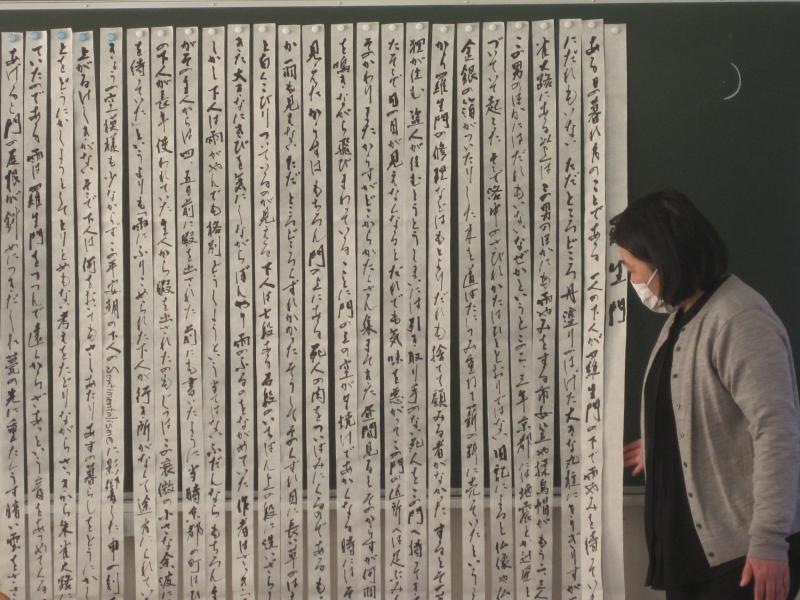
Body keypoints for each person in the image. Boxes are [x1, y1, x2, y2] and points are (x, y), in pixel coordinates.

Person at [613, 190, 800, 600]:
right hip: (690, 552)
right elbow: (696, 402)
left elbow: (777, 431)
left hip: (741, 556)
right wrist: (662, 441)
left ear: (663, 259)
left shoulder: (738, 317)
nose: (634, 282)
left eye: (633, 269)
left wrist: (769, 541)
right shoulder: (682, 316)